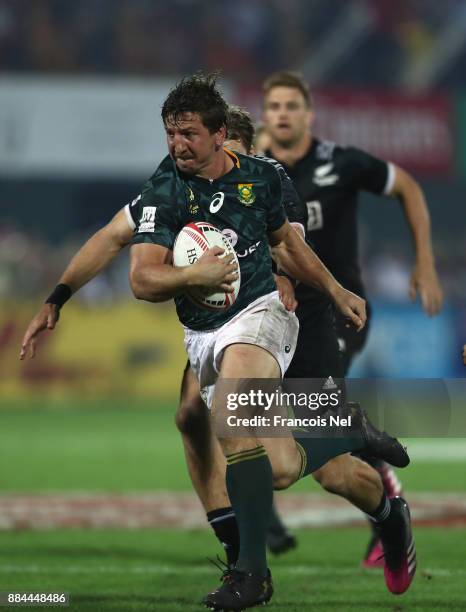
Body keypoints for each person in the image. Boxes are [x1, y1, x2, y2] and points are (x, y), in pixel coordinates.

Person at [20, 78, 413, 610]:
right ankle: (348, 433)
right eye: (170, 134)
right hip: (204, 330)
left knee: (230, 413)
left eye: (188, 134)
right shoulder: (164, 190)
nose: (177, 145)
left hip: (266, 313)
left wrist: (334, 288)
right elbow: (138, 275)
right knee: (274, 467)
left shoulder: (263, 177)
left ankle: (249, 572)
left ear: (222, 136)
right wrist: (60, 296)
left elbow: (288, 244)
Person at [260, 70, 443, 568]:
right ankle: (365, 492)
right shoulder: (252, 171)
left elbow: (407, 186)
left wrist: (423, 261)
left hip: (341, 312)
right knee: (244, 409)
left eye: (290, 106)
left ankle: (381, 488)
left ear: (308, 114)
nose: (281, 115)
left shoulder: (339, 163)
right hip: (276, 313)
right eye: (273, 106)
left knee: (321, 427)